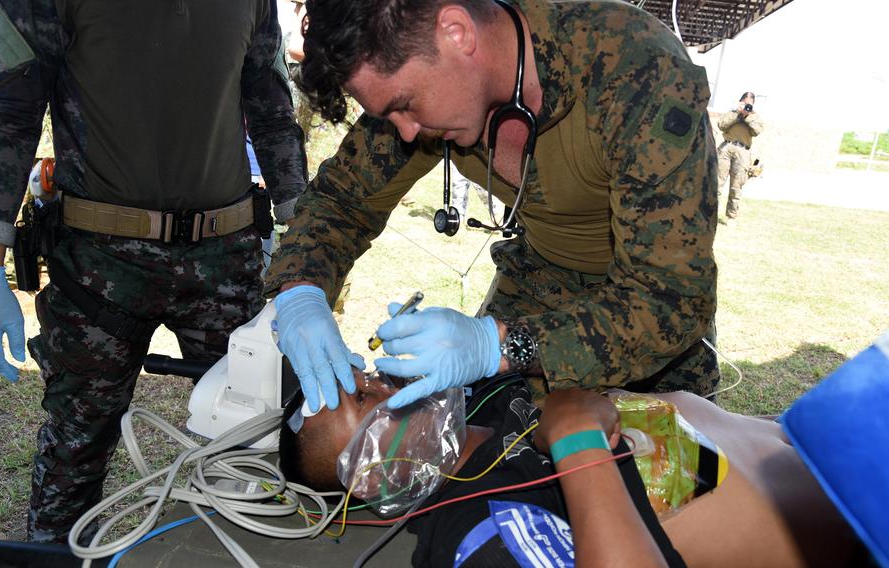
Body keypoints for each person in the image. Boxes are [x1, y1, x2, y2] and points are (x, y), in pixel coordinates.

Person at [266, 0, 721, 415]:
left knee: (660, 478)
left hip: (647, 321)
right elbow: (343, 200)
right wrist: (300, 293)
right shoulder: (420, 83)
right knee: (487, 443)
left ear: (457, 32)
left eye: (405, 105)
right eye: (390, 116)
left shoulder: (636, 68)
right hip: (537, 280)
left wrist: (495, 347)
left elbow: (670, 299)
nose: (405, 133)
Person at [0, 0, 306, 543]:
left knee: (250, 446)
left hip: (225, 257)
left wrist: (303, 241)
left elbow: (272, 109)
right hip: (99, 269)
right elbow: (2, 115)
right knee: (76, 449)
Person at [281, 368, 860, 567]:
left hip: (838, 441)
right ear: (378, 474)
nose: (384, 383)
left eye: (362, 376)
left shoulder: (489, 405)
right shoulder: (479, 528)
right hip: (865, 526)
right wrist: (579, 441)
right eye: (364, 401)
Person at [717, 92, 764, 224]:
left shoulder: (755, 117)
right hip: (726, 148)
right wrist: (738, 115)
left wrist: (747, 117)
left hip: (743, 152)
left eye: (749, 104)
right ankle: (710, 214)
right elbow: (721, 125)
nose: (747, 107)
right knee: (717, 183)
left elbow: (757, 131)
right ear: (740, 102)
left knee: (736, 186)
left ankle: (731, 217)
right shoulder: (733, 112)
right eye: (745, 103)